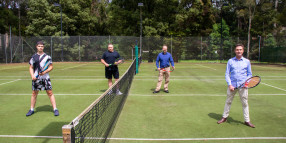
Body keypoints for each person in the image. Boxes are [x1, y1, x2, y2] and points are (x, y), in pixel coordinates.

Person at [217, 44, 255, 128]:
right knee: (228, 102)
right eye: (237, 49)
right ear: (235, 51)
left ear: (243, 51)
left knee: (245, 103)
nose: (239, 51)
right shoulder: (230, 61)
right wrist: (230, 84)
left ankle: (247, 120)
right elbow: (227, 74)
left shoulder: (247, 61)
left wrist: (246, 82)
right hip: (232, 86)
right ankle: (224, 117)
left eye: (240, 49)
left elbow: (249, 74)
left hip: (243, 86)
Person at [26, 41, 59, 116]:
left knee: (50, 93)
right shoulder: (33, 57)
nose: (40, 47)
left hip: (45, 78)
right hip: (36, 78)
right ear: (36, 47)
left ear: (43, 47)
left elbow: (51, 66)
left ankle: (55, 109)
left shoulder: (47, 57)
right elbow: (31, 67)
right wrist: (32, 76)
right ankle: (31, 109)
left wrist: (45, 72)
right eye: (39, 46)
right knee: (34, 93)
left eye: (42, 46)